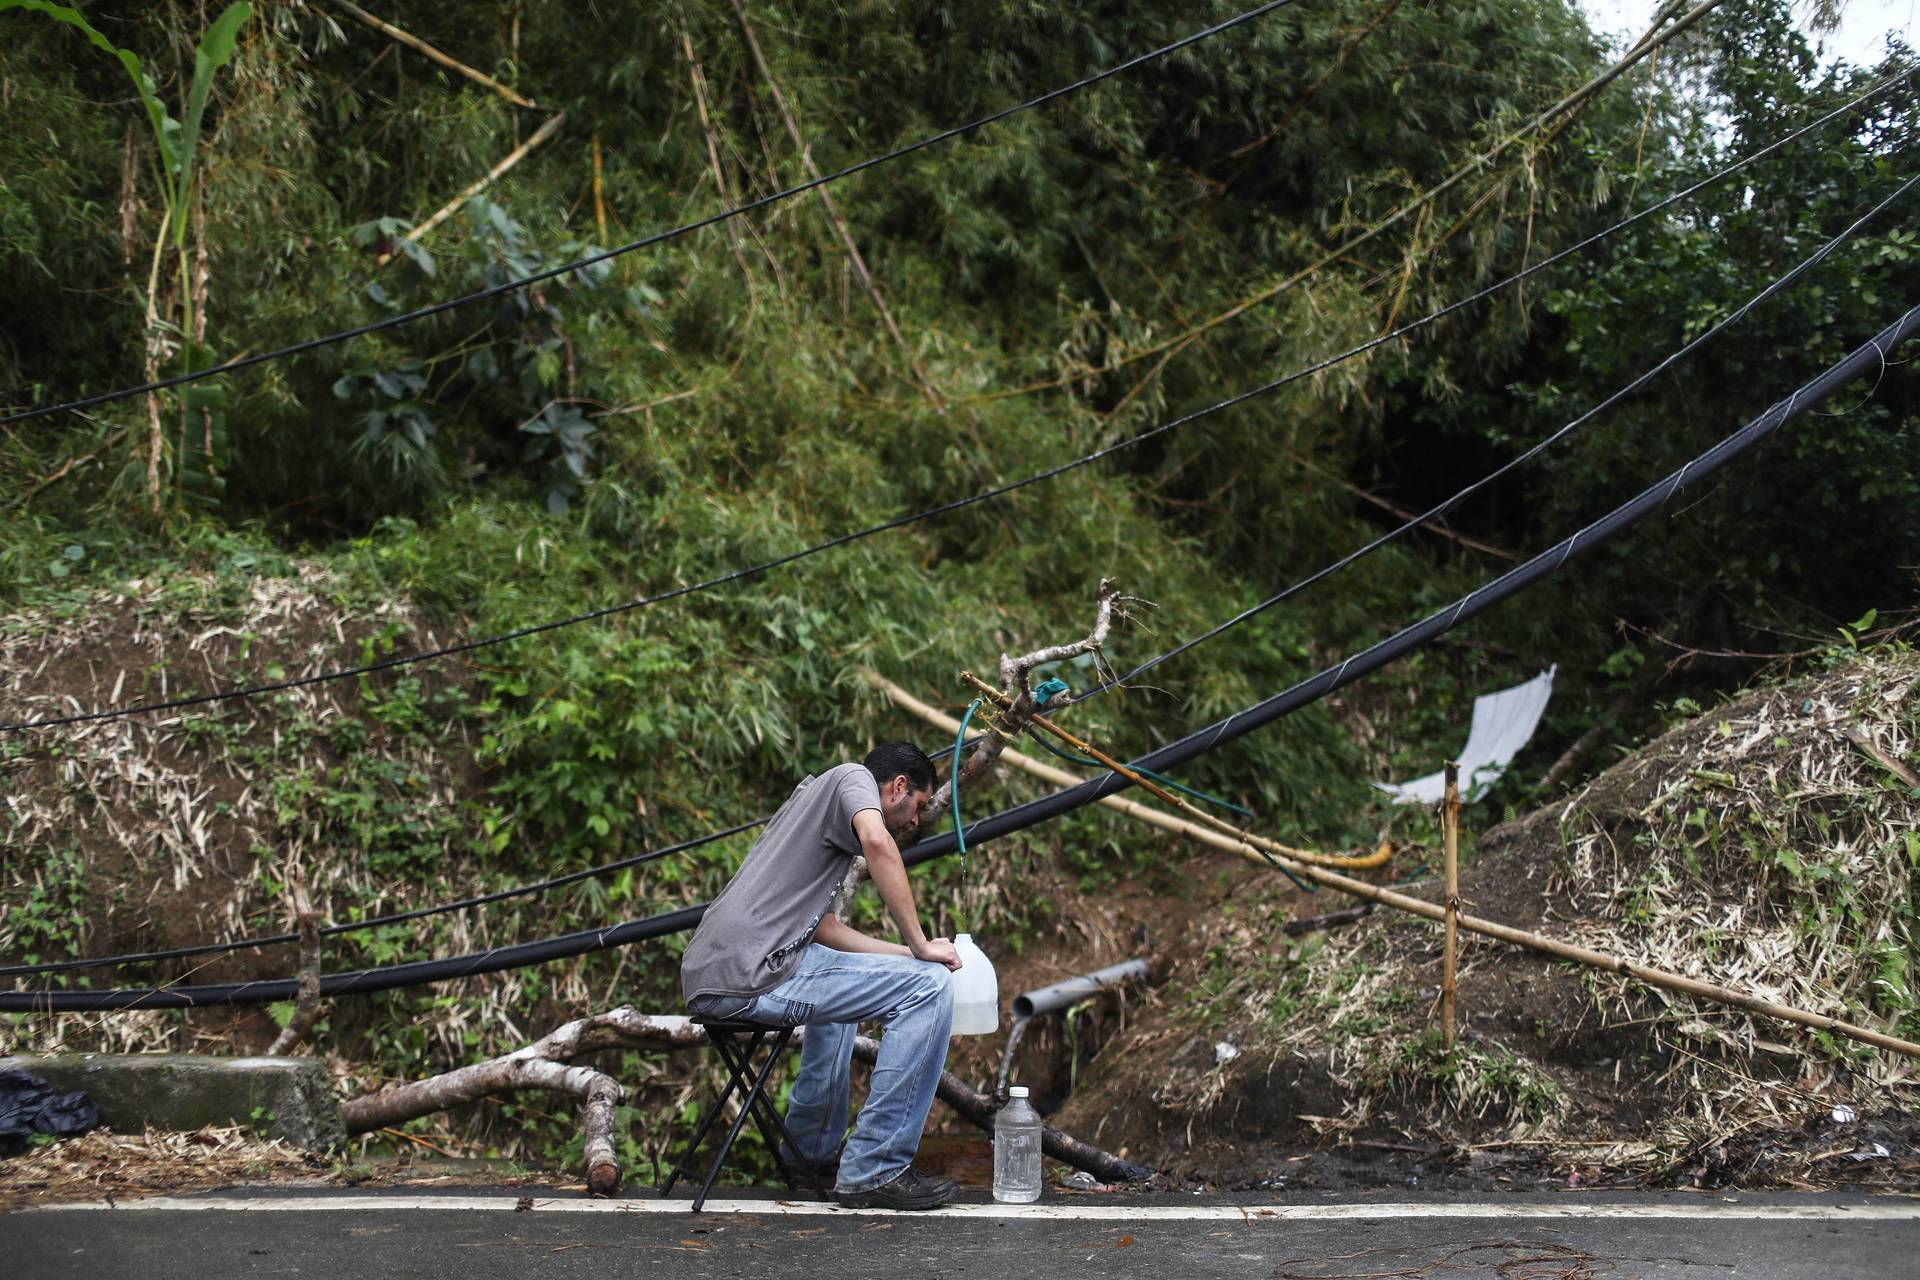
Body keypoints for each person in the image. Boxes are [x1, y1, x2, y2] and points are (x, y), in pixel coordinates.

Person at [680, 740, 963, 1210]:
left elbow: (825, 929)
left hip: (723, 971)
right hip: (752, 972)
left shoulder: (812, 811)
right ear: (896, 787)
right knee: (930, 988)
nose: (915, 822)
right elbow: (878, 842)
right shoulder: (852, 777)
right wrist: (920, 945)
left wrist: (906, 956)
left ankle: (811, 1153)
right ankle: (876, 1168)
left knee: (888, 983)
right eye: (915, 807)